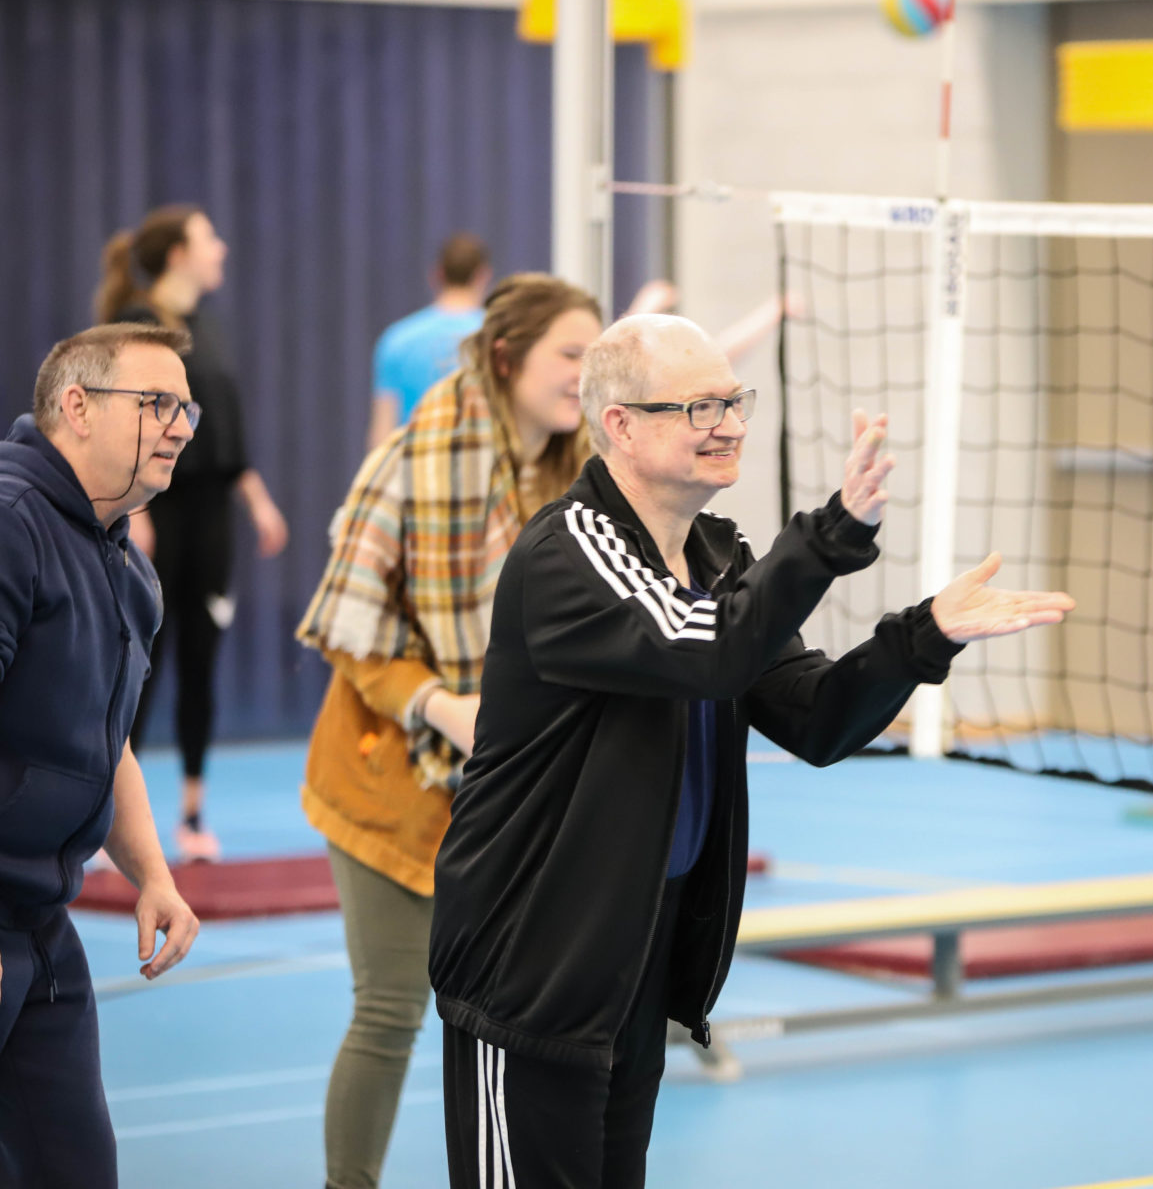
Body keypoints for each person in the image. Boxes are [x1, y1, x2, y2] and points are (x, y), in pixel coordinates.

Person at [427, 313, 1075, 1188]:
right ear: (620, 424)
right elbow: (711, 650)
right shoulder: (569, 553)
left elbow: (815, 720)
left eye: (733, 400)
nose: (728, 423)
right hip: (531, 964)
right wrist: (832, 533)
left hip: (633, 954)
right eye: (699, 406)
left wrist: (925, 636)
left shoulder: (715, 557)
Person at [297, 275, 602, 1189]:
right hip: (390, 771)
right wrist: (441, 706)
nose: (584, 378)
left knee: (518, 1015)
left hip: (513, 781)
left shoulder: (573, 462)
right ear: (507, 359)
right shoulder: (419, 459)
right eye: (569, 356)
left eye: (597, 358)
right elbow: (352, 632)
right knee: (390, 1010)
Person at [0, 323, 202, 1188]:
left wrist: (153, 872)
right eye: (155, 404)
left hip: (41, 930)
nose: (180, 426)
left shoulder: (123, 564)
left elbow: (102, 732)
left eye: (185, 407)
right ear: (76, 409)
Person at [96, 204, 290, 861]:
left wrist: (257, 500)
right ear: (178, 253)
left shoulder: (209, 327)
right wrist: (138, 510)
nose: (222, 248)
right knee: (140, 663)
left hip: (211, 516)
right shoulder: (134, 327)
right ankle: (110, 814)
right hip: (158, 510)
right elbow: (125, 429)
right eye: (210, 238)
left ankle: (192, 815)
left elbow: (218, 428)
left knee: (202, 659)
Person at [367, 233, 494, 451]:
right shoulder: (494, 337)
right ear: (482, 276)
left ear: (437, 275)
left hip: (413, 468)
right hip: (480, 467)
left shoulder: (396, 339)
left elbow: (382, 432)